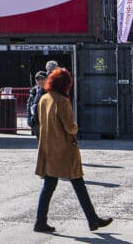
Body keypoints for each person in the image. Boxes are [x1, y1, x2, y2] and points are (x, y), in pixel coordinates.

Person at [34, 68, 113, 233]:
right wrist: (76, 127)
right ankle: (93, 220)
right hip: (64, 150)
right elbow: (70, 127)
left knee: (49, 185)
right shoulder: (62, 101)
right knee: (78, 183)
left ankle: (41, 222)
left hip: (48, 148)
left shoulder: (44, 99)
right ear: (65, 84)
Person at [27, 71, 47, 138]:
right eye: (38, 79)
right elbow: (29, 105)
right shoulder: (33, 90)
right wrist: (29, 119)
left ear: (46, 79)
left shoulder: (49, 91)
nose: (40, 81)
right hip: (35, 121)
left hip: (45, 122)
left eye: (42, 79)